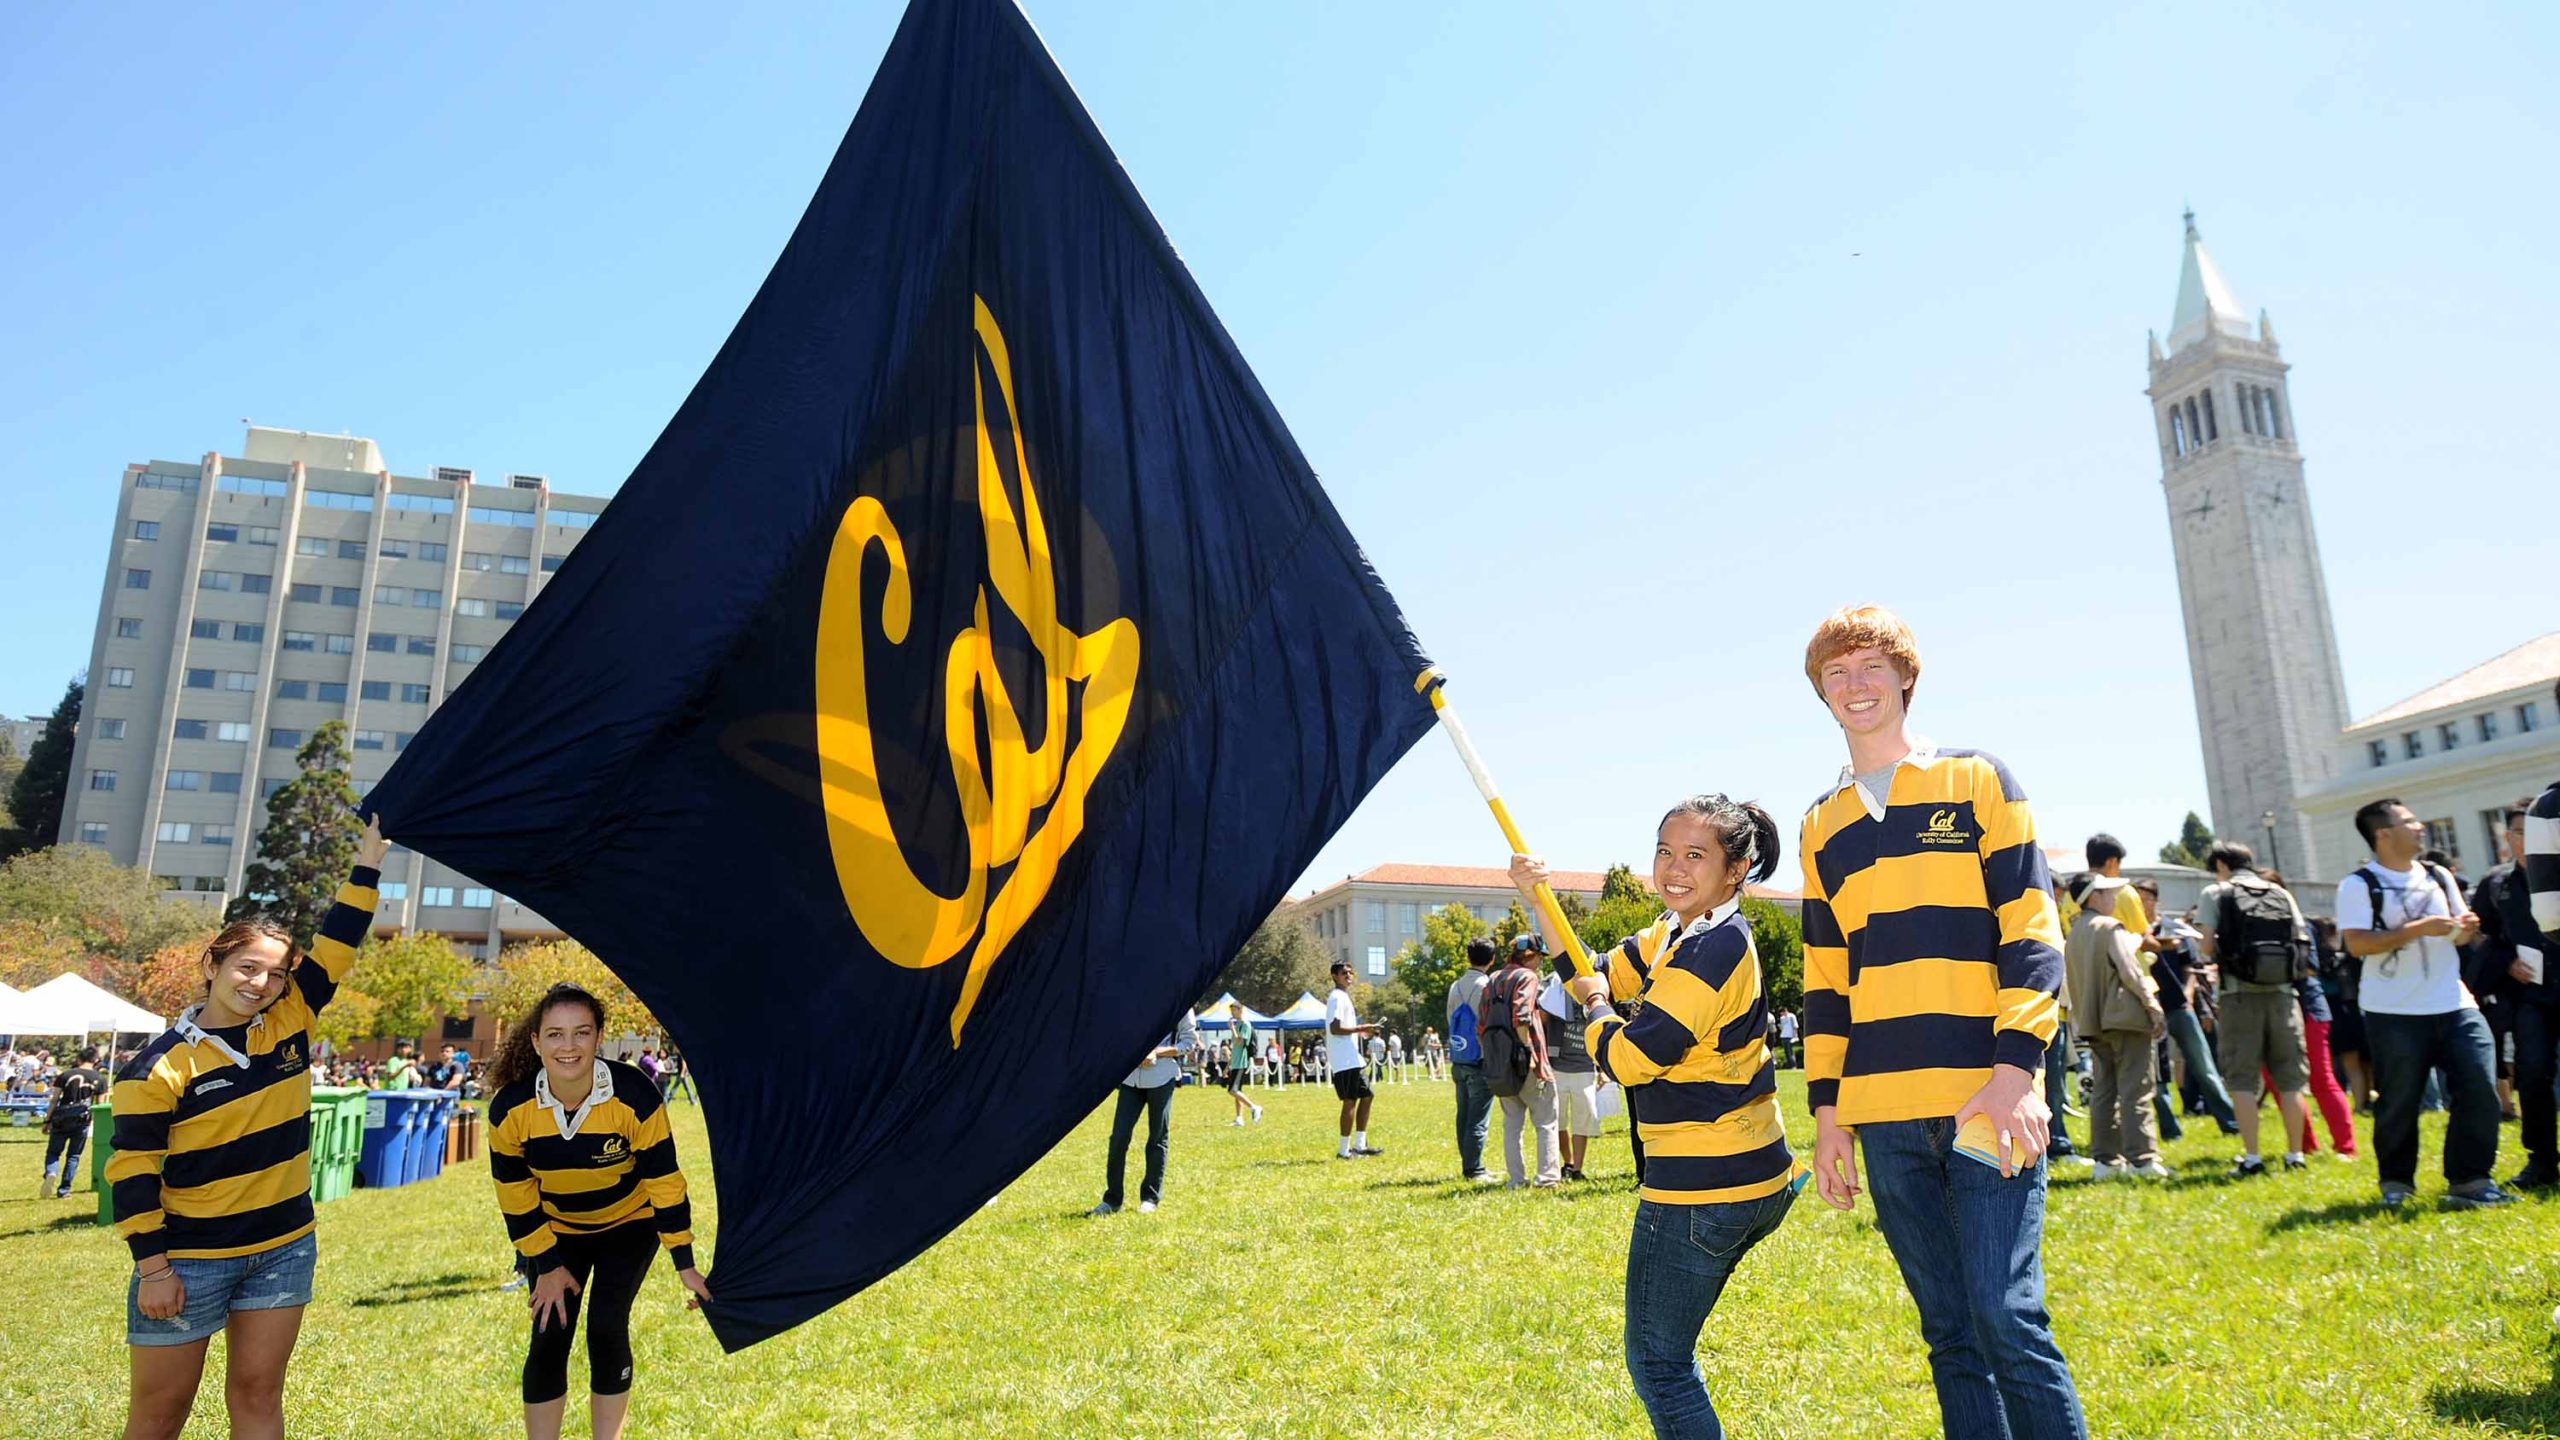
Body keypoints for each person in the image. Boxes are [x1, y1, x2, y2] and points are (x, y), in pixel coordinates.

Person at [1796, 605, 2086, 1438]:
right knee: (1951, 1333)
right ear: (1821, 692)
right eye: (1836, 673)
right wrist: (1828, 1117)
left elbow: (2032, 932)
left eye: (1870, 667)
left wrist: (2015, 1075)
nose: (1855, 685)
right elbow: (1826, 982)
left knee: (2006, 1318)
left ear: (1904, 678)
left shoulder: (1978, 779)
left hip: (1985, 1098)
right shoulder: (1823, 823)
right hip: (1883, 1116)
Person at [1520, 793, 1804, 1440]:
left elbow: (1632, 1056)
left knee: (1659, 1362)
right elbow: (1593, 971)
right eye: (1665, 851)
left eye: (1696, 856)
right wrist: (1540, 899)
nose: (1674, 868)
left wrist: (1596, 1010)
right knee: (1669, 1354)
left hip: (1705, 1189)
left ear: (1736, 870)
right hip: (1748, 1177)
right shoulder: (1675, 931)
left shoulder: (1717, 948)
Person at [110, 818, 386, 1440]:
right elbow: (131, 1174)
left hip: (283, 1246)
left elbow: (339, 940)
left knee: (259, 1397)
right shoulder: (157, 1067)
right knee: (159, 1416)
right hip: (187, 1259)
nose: (259, 983)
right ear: (213, 964)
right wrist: (154, 1269)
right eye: (246, 967)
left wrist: (367, 864)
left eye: (275, 974)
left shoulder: (291, 1019)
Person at [486, 983, 712, 1440]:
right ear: (535, 1041)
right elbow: (515, 1196)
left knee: (606, 1326)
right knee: (550, 1334)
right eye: (554, 1035)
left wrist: (684, 1263)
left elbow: (664, 1182)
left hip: (629, 1225)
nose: (568, 1046)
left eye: (580, 1033)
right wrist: (546, 1265)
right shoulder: (510, 1109)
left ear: (599, 1037)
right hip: (557, 1232)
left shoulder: (635, 1095)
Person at [2337, 798, 2510, 1209]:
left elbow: (2460, 934)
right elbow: (2358, 943)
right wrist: (2420, 929)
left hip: (2454, 1001)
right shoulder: (2358, 884)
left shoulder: (2438, 875)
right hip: (2393, 1009)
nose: (2420, 826)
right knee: (2399, 1098)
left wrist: (2464, 928)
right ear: (2383, 834)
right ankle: (2396, 1183)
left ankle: (2469, 1180)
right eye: (2409, 821)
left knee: (2480, 1085)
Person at [2197, 842, 2313, 1177]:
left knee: (2242, 1080)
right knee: (2291, 1080)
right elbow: (2301, 938)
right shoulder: (2280, 893)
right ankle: (2295, 1155)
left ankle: (2252, 1157)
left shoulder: (2216, 892)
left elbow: (2206, 946)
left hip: (2238, 995)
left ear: (2222, 864)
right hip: (2283, 995)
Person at [2062, 874, 2167, 1179]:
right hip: (2125, 1018)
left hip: (2092, 1022)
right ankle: (2143, 1160)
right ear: (2093, 897)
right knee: (2137, 1088)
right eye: (2108, 893)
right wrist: (2152, 1006)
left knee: (2104, 1090)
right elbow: (2131, 972)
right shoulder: (2110, 928)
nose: (2113, 898)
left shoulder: (2074, 933)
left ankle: (2105, 1161)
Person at [2478, 800, 2558, 1189]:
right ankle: (2542, 1160)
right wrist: (2507, 962)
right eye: (2519, 832)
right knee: (2532, 1072)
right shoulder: (2496, 885)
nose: (2527, 840)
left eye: (2534, 831)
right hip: (2530, 996)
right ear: (2508, 837)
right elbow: (2484, 939)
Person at [2135, 881, 2238, 1138]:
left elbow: (2190, 967)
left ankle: (2231, 1123)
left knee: (2204, 1067)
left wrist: (2189, 996)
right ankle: (2171, 1131)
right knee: (2158, 1074)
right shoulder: (2132, 931)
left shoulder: (2171, 927)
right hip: (2149, 1010)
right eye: (2137, 897)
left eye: (2146, 897)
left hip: (2179, 1006)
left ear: (2156, 900)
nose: (2141, 902)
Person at [1090, 1008, 1197, 1215]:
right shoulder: (1139, 998)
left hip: (1162, 1077)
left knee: (1157, 1138)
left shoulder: (1182, 1003)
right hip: (1130, 1079)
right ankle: (1112, 1199)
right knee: (1118, 1138)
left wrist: (1157, 1052)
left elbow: (1189, 1043)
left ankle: (1150, 1197)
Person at [1486, 934, 1561, 1188]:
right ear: (1530, 956)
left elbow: (1481, 1025)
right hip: (1527, 1060)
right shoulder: (1527, 977)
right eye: (1540, 957)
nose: (1540, 963)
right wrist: (1528, 1054)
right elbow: (1522, 1016)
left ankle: (1516, 1179)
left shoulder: (1493, 979)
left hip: (1499, 1063)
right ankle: (1547, 1178)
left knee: (1512, 1125)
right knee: (1546, 1121)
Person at [2291, 914, 2357, 1160]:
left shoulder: (2299, 924)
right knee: (2280, 1081)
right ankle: (2306, 1145)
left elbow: (2310, 967)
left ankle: (2346, 1147)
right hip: (2290, 1007)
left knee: (2320, 1077)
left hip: (2309, 1009)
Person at [1543, 950, 1604, 1180]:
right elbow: (1544, 1015)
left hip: (1585, 1065)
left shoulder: (1595, 980)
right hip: (1559, 1064)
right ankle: (1567, 1163)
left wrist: (1601, 1066)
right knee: (1558, 1120)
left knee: (1583, 1120)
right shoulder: (1555, 983)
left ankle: (1577, 1168)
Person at [1446, 937, 1498, 1182]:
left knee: (1463, 1114)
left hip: (1459, 1057)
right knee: (1478, 1117)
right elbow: (1488, 1024)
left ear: (1468, 957)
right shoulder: (1487, 985)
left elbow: (1450, 1019)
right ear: (1492, 960)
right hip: (1480, 1058)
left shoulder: (1455, 986)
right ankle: (1474, 1168)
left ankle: (1468, 1162)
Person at [1325, 962, 1382, 1159]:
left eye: (1350, 972)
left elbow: (1343, 1028)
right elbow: (1335, 1028)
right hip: (1344, 1058)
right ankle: (1344, 1150)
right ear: (1334, 976)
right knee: (1350, 1101)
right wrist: (1361, 1028)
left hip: (1351, 1057)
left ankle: (1359, 1145)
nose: (1348, 975)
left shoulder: (1343, 997)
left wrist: (1362, 1033)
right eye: (1344, 973)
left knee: (1366, 1095)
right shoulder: (1336, 998)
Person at [42, 1044, 105, 1199]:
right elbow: (100, 1104)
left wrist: (47, 1120)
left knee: (53, 1152)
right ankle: (64, 1190)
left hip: (61, 1117)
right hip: (82, 1119)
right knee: (74, 1155)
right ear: (95, 1060)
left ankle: (51, 1172)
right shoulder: (100, 1079)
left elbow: (54, 1099)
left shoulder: (65, 1075)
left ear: (79, 1058)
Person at [1223, 1002, 1263, 1127]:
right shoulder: (1239, 1024)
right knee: (1238, 1091)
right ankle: (1239, 1118)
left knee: (1232, 1090)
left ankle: (1254, 1107)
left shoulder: (1245, 1024)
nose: (1232, 1013)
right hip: (1235, 1062)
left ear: (1240, 1010)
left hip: (1241, 1062)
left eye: (1234, 1010)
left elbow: (1240, 1042)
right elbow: (1235, 1046)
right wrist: (1227, 1065)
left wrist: (1232, 1028)